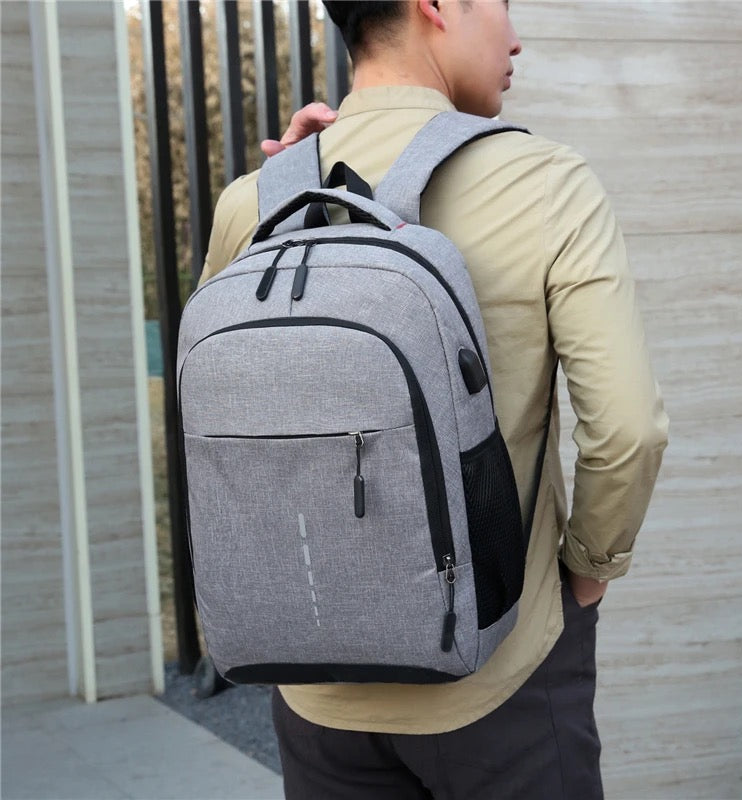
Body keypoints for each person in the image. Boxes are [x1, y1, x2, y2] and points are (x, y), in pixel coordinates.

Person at [201, 2, 669, 797]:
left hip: (314, 693)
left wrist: (280, 186)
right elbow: (627, 430)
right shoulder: (546, 183)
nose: (515, 36)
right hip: (500, 677)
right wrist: (584, 577)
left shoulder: (254, 200)